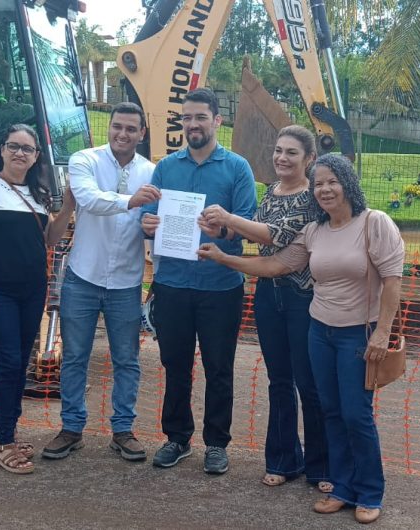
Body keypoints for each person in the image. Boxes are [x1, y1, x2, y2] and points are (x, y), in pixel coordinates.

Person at [197, 153, 404, 524]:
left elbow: (392, 280)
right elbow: (274, 265)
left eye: (332, 181)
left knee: (356, 414)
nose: (325, 189)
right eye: (319, 183)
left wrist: (383, 332)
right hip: (319, 331)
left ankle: (370, 491)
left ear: (348, 183)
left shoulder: (374, 223)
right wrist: (223, 259)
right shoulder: (315, 231)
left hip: (359, 334)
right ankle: (341, 487)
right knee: (331, 410)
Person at [199, 126, 330, 492]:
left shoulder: (312, 198)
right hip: (268, 296)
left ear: (309, 159)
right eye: (278, 150)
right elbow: (255, 231)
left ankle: (322, 466)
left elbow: (276, 235)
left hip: (301, 298)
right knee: (279, 381)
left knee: (308, 382)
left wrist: (228, 218)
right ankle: (283, 460)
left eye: (291, 152)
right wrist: (220, 230)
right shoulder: (271, 191)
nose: (281, 158)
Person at [140, 88, 257, 475]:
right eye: (186, 118)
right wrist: (148, 223)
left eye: (200, 117)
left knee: (219, 368)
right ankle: (177, 438)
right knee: (175, 364)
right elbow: (149, 217)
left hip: (220, 286)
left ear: (217, 121)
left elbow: (246, 227)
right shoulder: (166, 168)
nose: (192, 124)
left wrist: (222, 230)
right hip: (173, 284)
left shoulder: (237, 168)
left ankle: (217, 444)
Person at [42, 103, 159, 462]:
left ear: (142, 133)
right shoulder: (85, 160)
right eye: (117, 126)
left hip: (126, 281)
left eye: (131, 129)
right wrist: (131, 201)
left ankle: (123, 430)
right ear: (109, 127)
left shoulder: (152, 172)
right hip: (83, 276)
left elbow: (157, 219)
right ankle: (71, 427)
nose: (123, 134)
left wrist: (154, 232)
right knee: (75, 357)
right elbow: (89, 200)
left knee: (127, 360)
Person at [0, 124, 74, 474]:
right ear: (2, 149)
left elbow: (50, 239)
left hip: (32, 291)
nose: (20, 153)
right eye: (14, 146)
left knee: (20, 362)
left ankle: (10, 431)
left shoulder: (38, 194)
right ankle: (4, 441)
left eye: (27, 149)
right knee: (9, 362)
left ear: (36, 156)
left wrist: (68, 207)